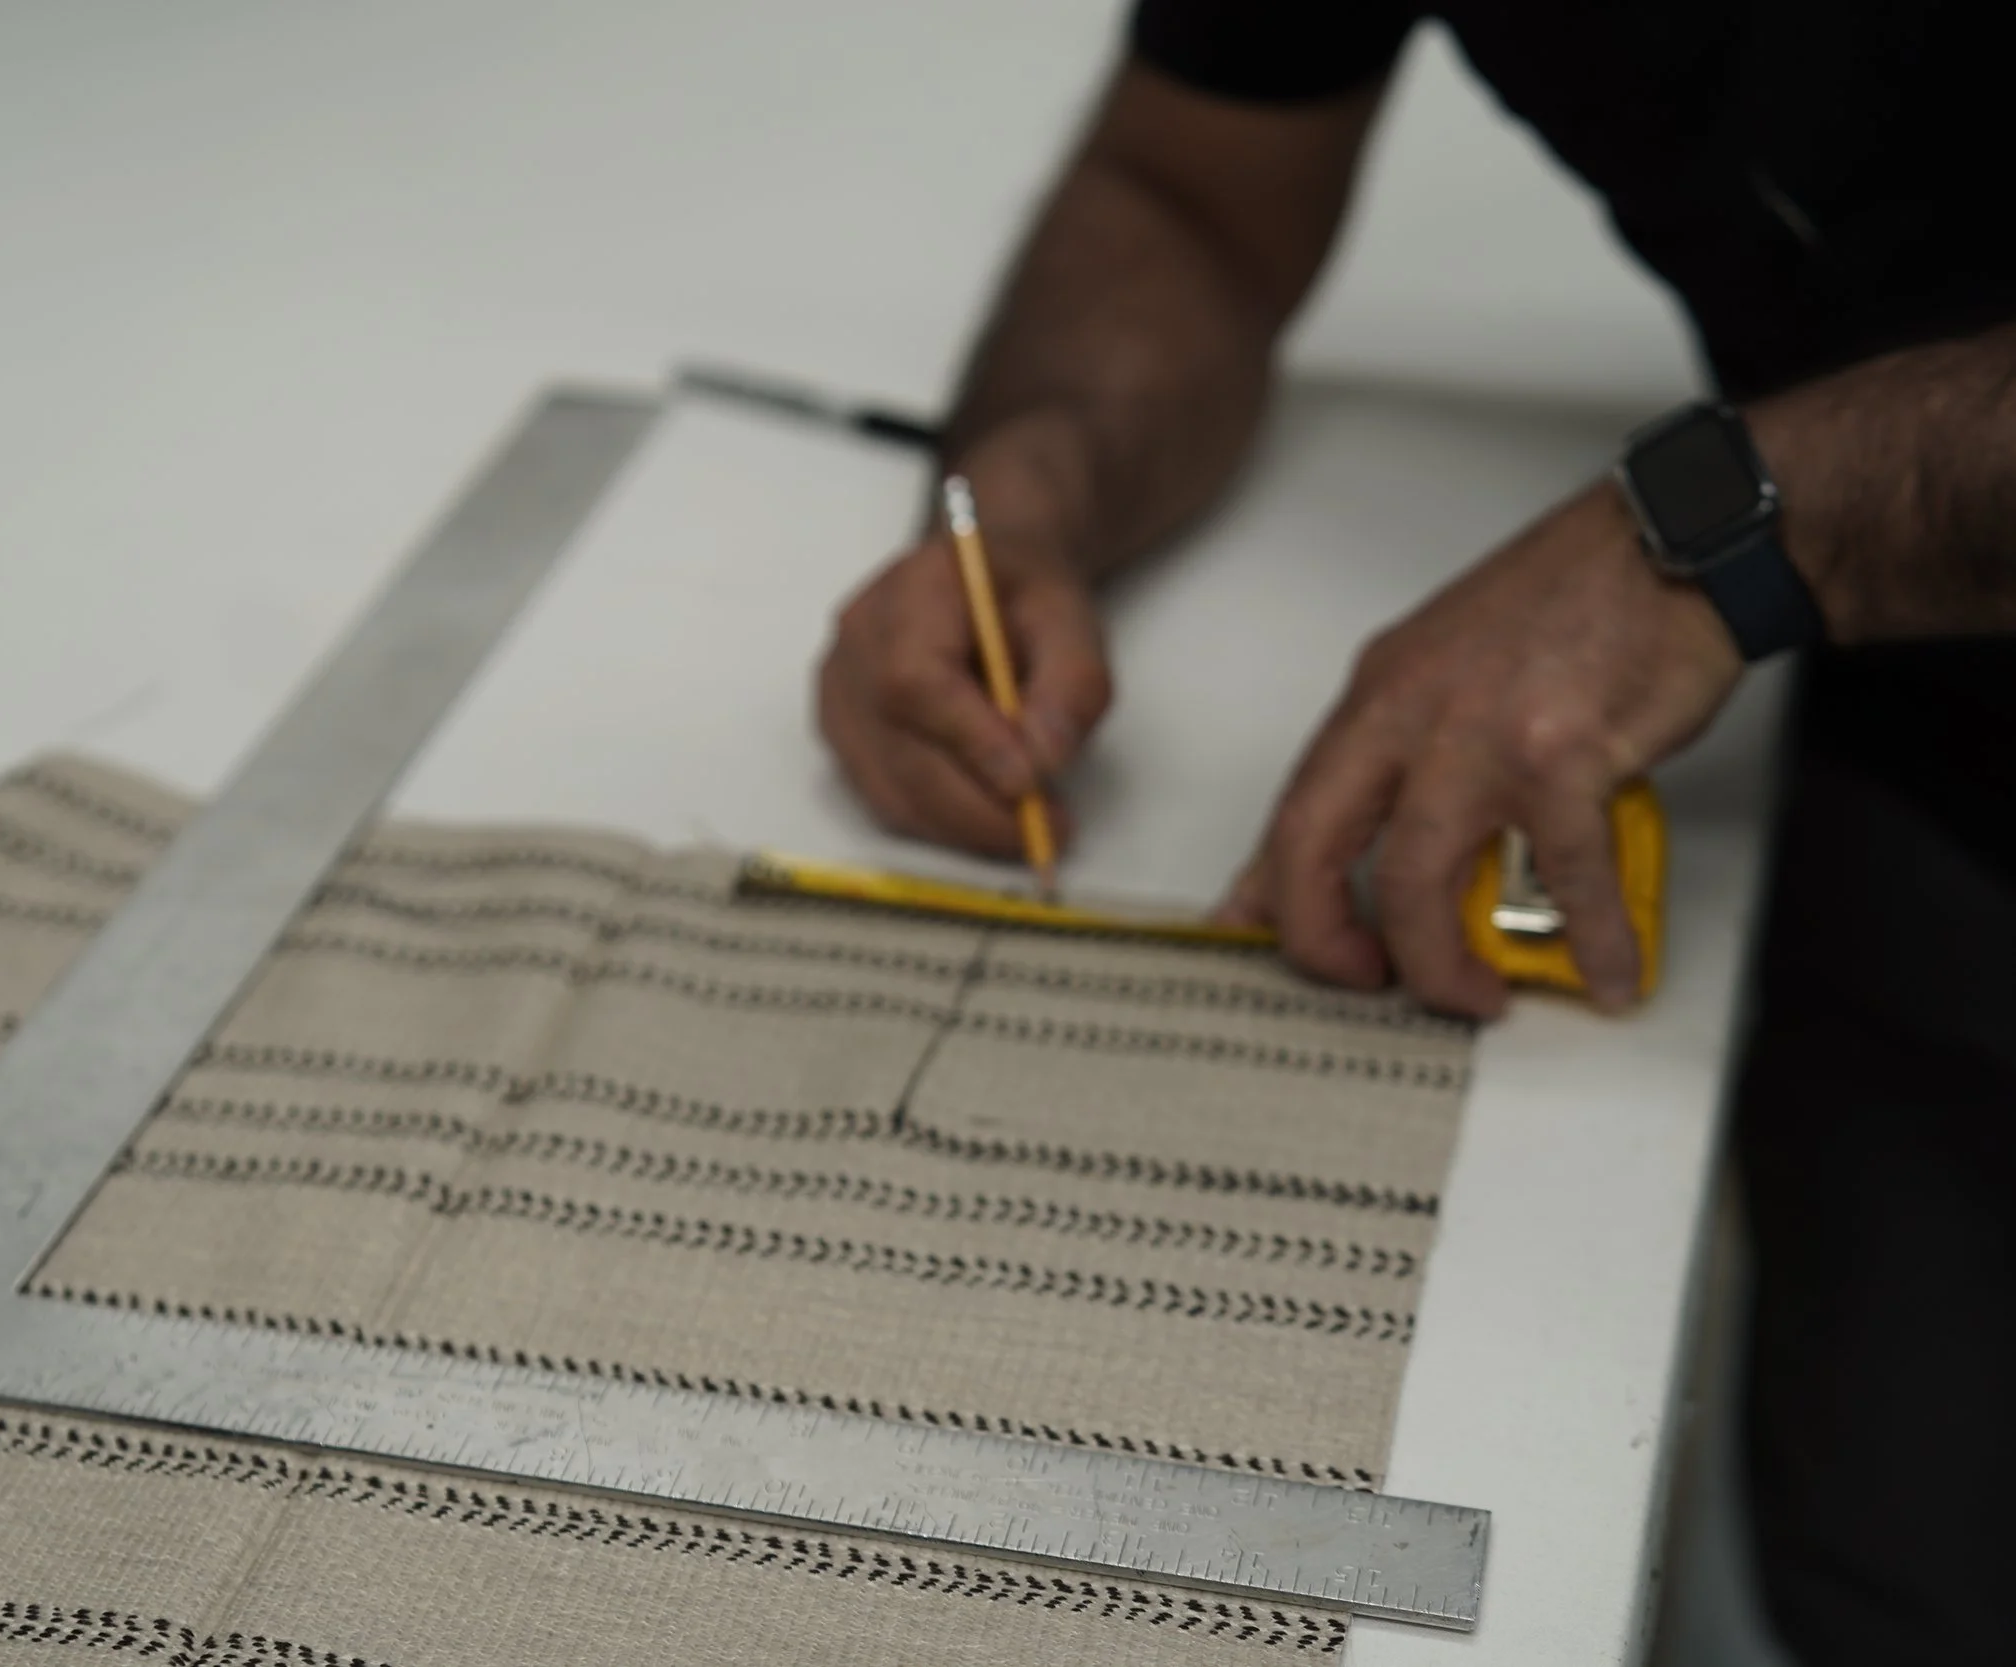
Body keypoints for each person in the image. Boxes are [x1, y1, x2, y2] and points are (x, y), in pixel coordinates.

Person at [812, 5, 2016, 1661]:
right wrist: (1031, 481)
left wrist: (1728, 529)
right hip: (1885, 721)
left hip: (1842, 601)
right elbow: (1190, 194)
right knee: (1898, 1542)